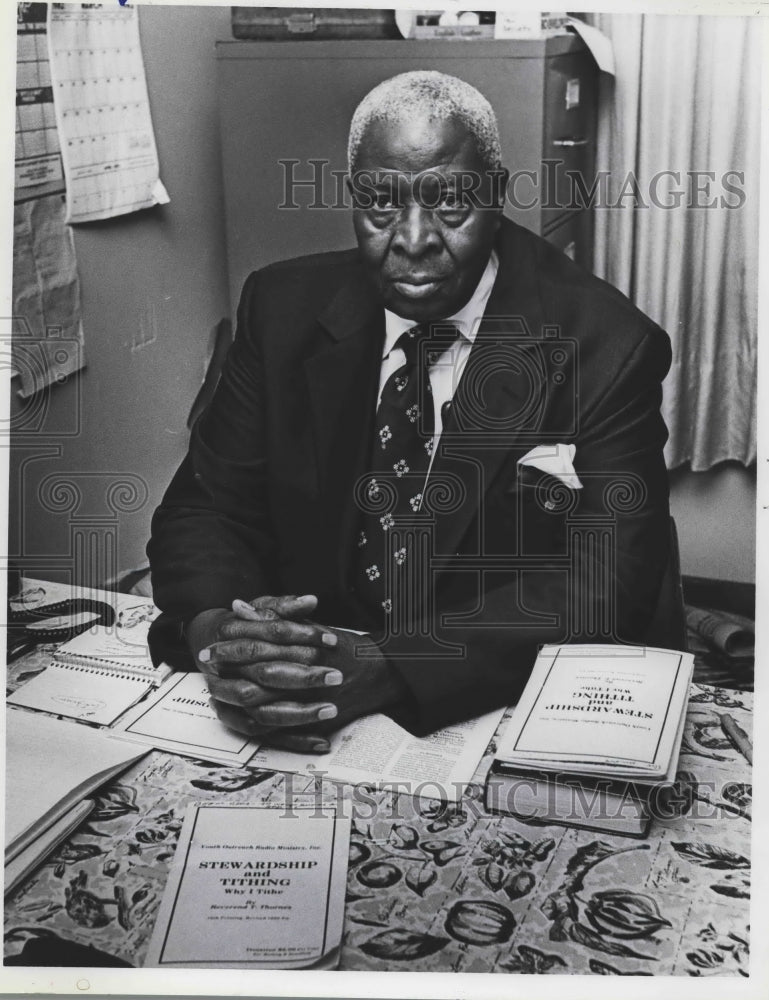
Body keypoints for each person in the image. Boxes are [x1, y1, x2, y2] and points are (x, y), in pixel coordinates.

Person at [148, 71, 672, 753]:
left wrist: (395, 668)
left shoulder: (606, 342)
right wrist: (223, 629)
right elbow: (209, 507)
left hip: (482, 693)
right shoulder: (280, 309)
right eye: (380, 204)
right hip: (309, 676)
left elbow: (611, 574)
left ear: (496, 193)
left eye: (450, 202)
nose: (414, 238)